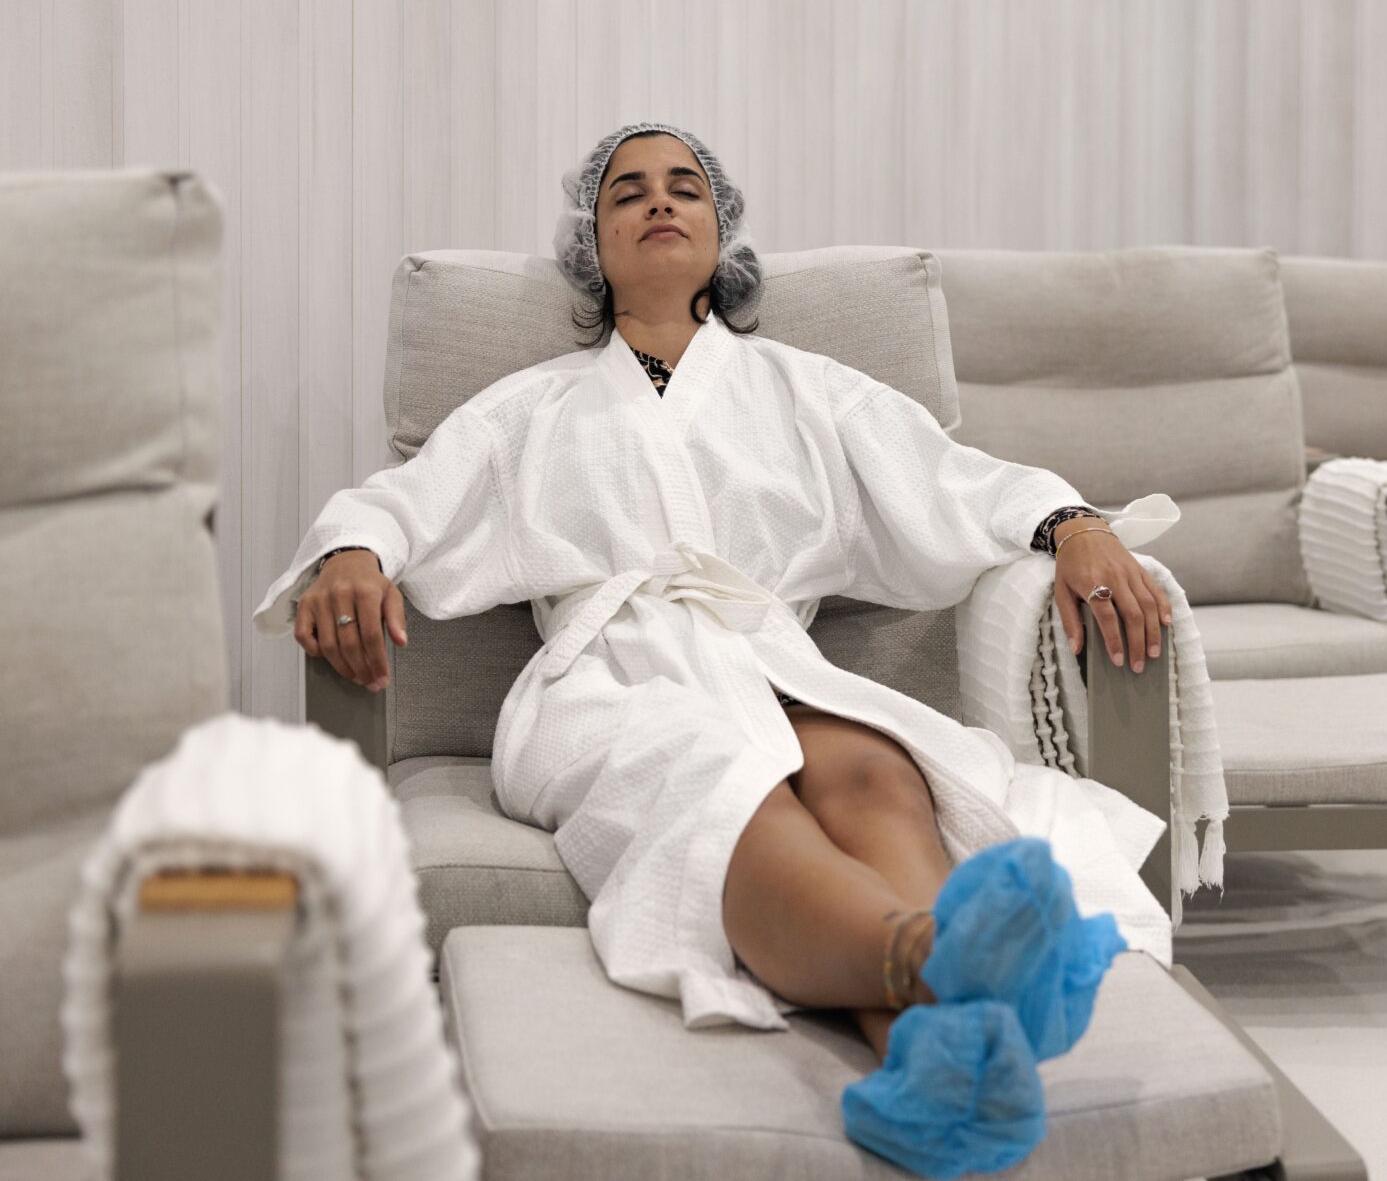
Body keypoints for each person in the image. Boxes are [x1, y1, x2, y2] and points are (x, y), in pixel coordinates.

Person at [253, 122, 1179, 1175]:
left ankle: (933, 1067)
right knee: (724, 777)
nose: (658, 201)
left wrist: (1072, 524)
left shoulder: (807, 388)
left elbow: (950, 476)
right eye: (627, 192)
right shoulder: (529, 407)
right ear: (592, 246)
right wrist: (355, 551)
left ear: (720, 229)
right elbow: (402, 501)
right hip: (608, 679)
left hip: (768, 656)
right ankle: (940, 960)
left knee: (875, 769)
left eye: (684, 187)